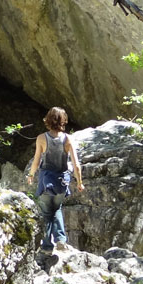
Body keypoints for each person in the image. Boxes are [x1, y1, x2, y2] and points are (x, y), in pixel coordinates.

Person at [26, 106, 84, 251]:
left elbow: (36, 161)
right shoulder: (68, 139)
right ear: (63, 120)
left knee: (46, 212)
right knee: (57, 208)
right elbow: (76, 165)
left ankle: (47, 246)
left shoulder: (41, 138)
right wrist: (79, 182)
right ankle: (61, 239)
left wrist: (31, 175)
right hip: (62, 181)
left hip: (46, 181)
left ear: (48, 119)